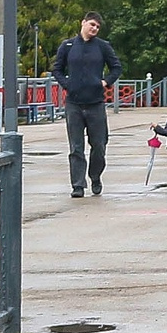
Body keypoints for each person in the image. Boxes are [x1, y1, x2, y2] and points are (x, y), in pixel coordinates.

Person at [51, 13, 123, 199]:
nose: (94, 29)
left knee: (99, 145)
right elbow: (57, 69)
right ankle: (78, 185)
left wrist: (105, 82)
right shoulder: (67, 46)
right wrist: (67, 84)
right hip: (74, 103)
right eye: (92, 25)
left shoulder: (102, 46)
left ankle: (95, 176)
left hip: (95, 104)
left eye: (97, 27)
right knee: (76, 147)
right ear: (83, 23)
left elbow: (116, 67)